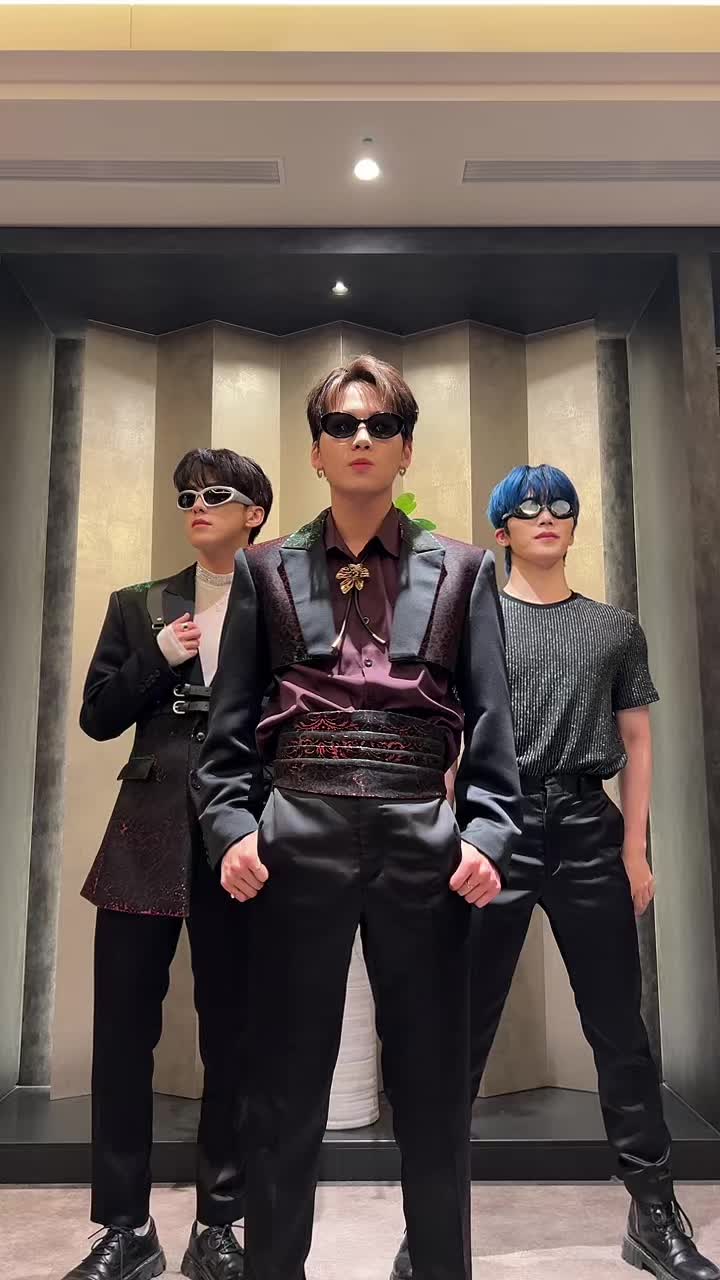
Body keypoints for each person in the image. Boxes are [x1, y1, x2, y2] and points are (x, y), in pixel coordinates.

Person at [197, 355, 522, 1280]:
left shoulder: (465, 570)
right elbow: (227, 733)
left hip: (423, 833)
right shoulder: (264, 569)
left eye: (382, 425)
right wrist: (232, 829)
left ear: (406, 449)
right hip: (297, 831)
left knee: (433, 1089)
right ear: (317, 451)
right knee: (283, 1084)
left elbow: (495, 723)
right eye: (342, 425)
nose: (362, 438)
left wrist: (487, 835)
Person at [391, 462, 718, 1280]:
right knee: (459, 1033)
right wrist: (446, 836)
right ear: (501, 529)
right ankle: (431, 1227)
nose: (547, 517)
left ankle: (653, 1211)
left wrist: (634, 850)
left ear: (573, 525)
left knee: (619, 1030)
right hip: (491, 827)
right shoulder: (471, 623)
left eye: (561, 506)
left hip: (586, 826)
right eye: (528, 507)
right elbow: (445, 736)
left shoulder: (615, 629)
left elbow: (636, 739)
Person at [63, 449, 273, 1280]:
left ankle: (219, 1225)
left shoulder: (282, 605)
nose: (196, 505)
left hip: (242, 841)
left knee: (237, 1038)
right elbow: (96, 718)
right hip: (142, 837)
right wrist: (156, 655)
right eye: (186, 496)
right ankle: (125, 1229)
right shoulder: (139, 604)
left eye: (215, 494)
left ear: (254, 513)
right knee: (121, 1037)